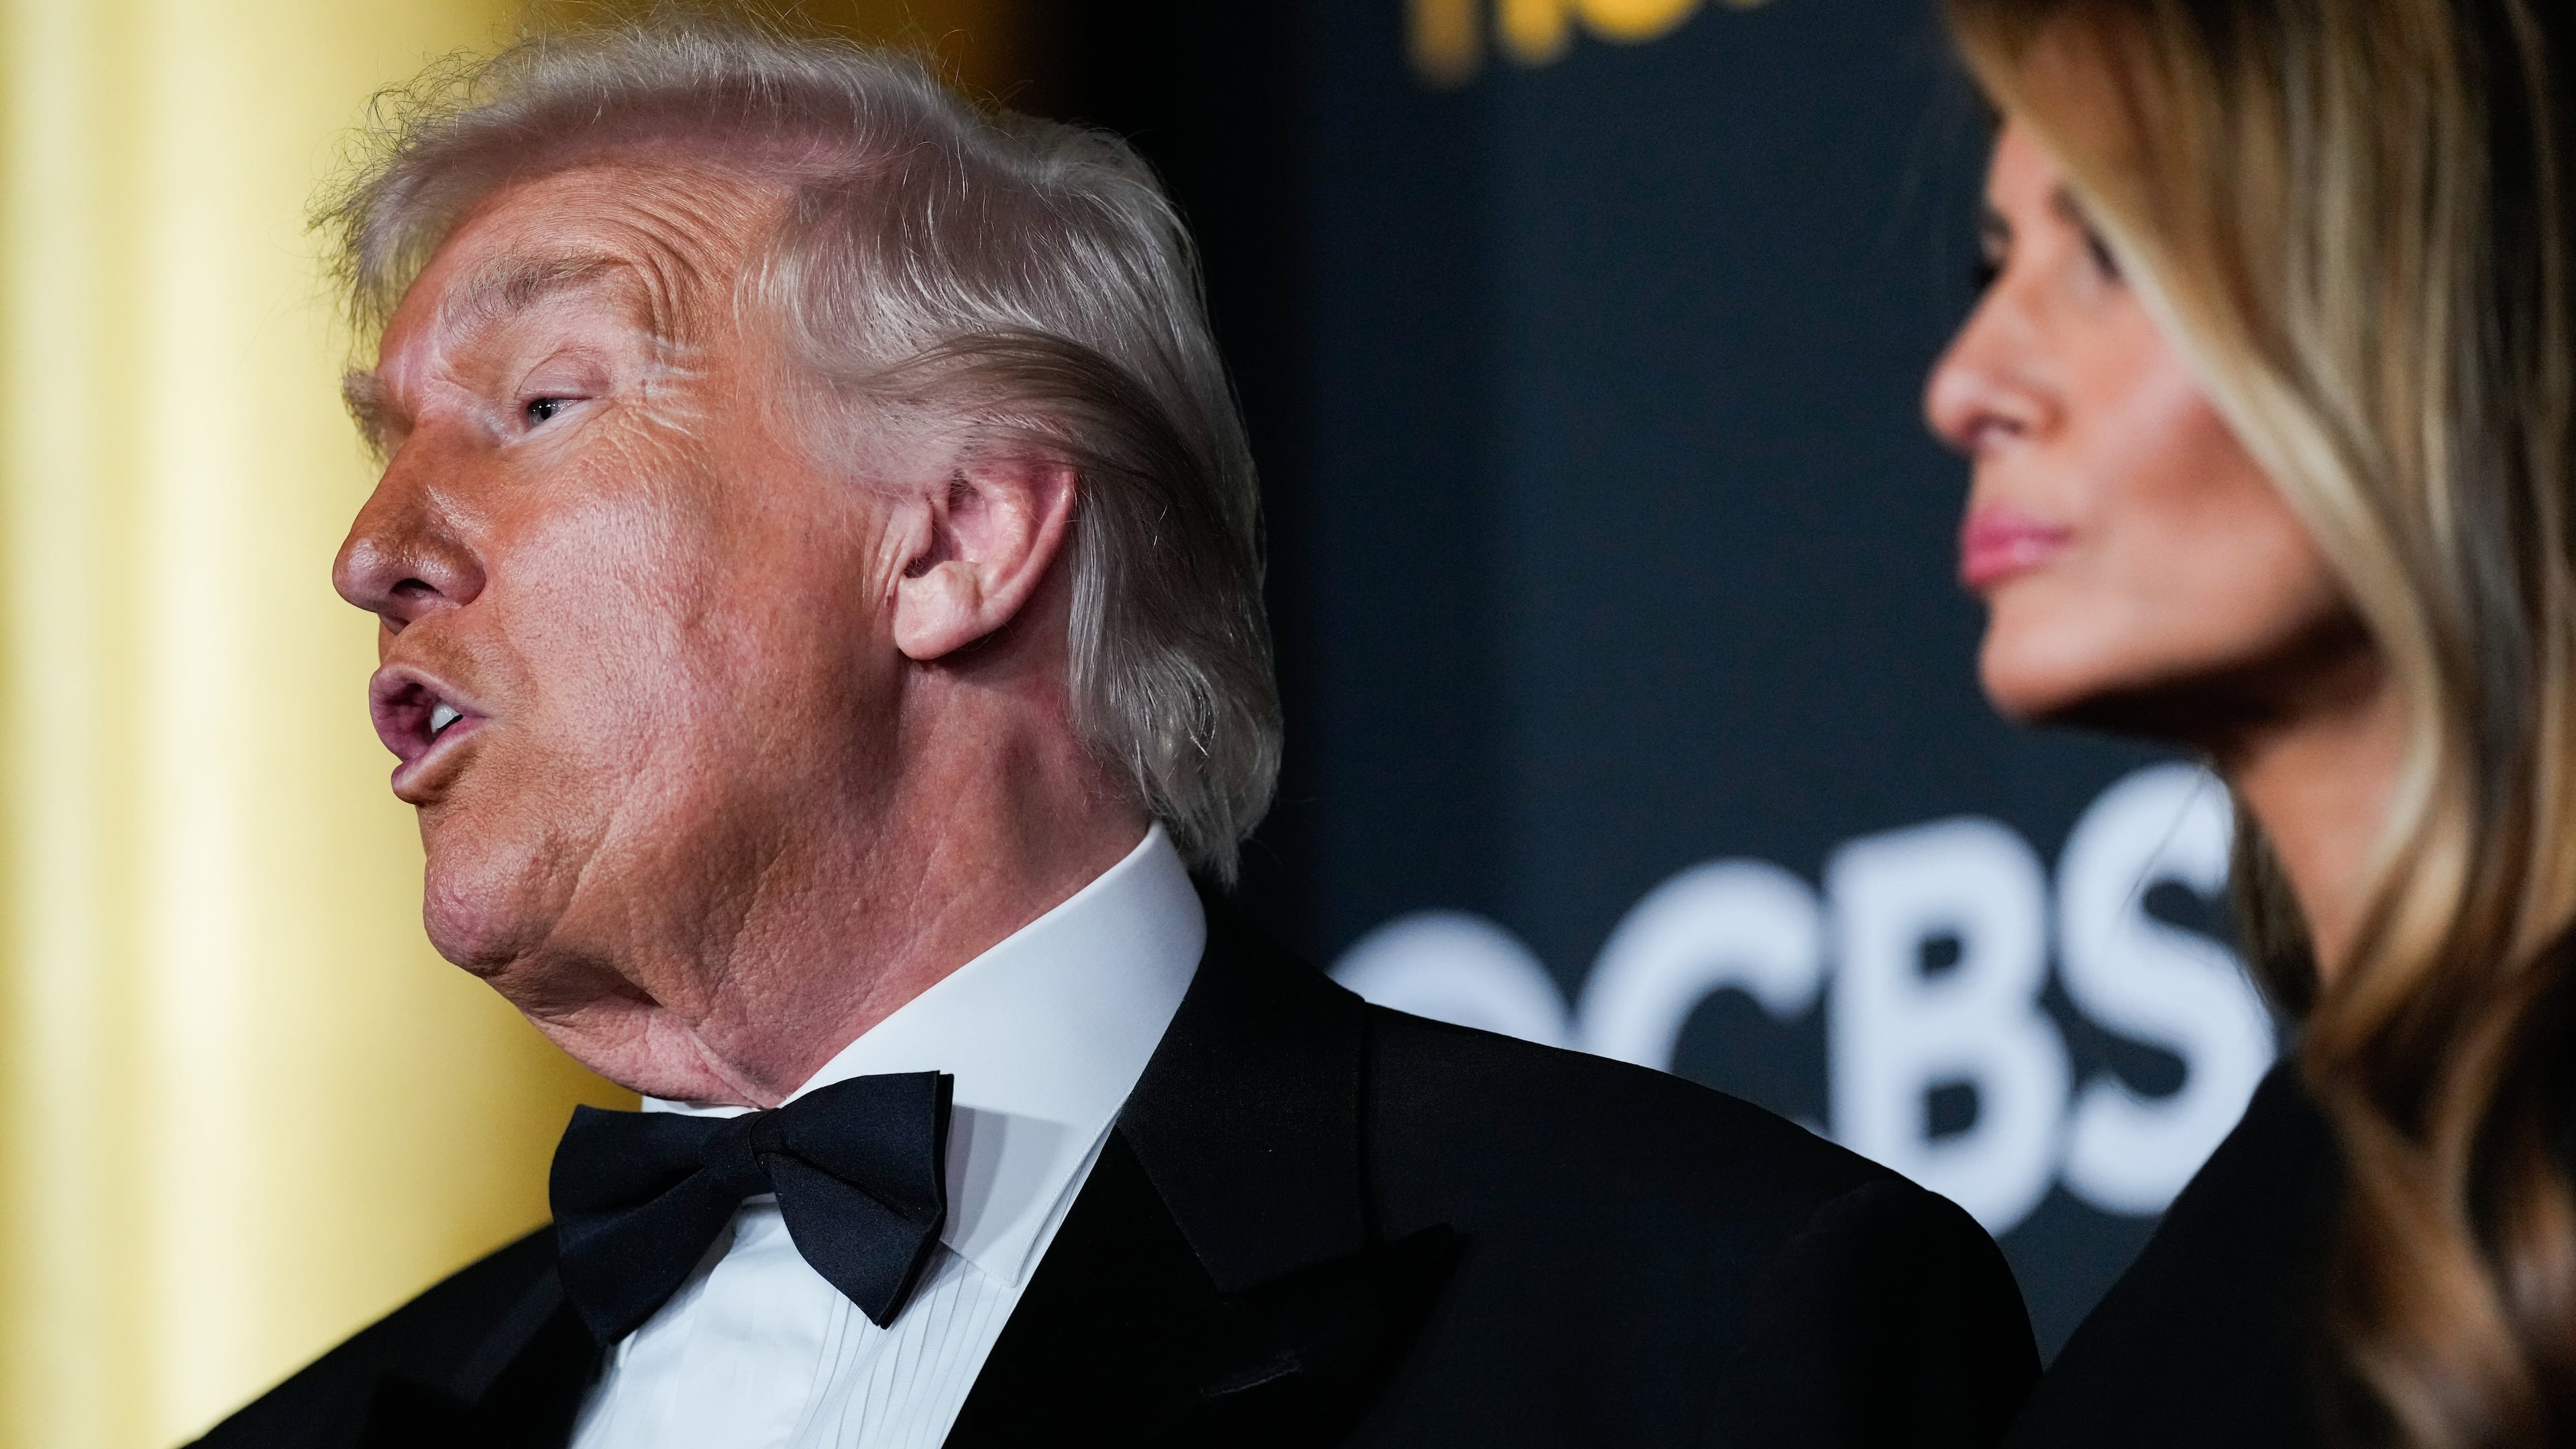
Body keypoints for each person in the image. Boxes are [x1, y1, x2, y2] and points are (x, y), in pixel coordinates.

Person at [197, 17, 2035, 1449]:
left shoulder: (1697, 1322)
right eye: (386, 445)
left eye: (535, 403)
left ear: (957, 537)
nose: (372, 553)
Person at [1925, 0, 2576, 1444]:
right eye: (1992, 262)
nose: (1965, 387)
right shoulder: (2193, 1315)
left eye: (2107, 255)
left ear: (2430, 304)